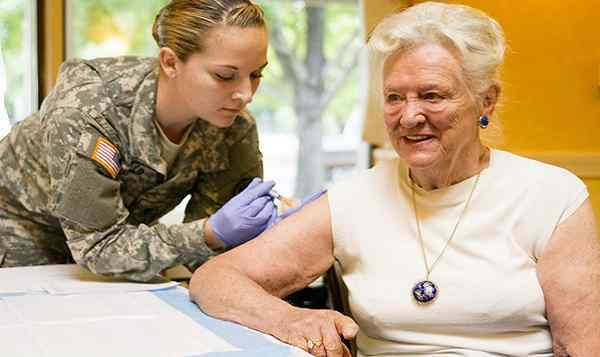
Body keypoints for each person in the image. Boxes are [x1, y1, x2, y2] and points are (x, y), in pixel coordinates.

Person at [189, 2, 600, 356]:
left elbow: (582, 347)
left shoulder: (552, 196)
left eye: (432, 95)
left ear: (485, 100)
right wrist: (291, 320)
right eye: (394, 97)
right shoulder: (355, 198)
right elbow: (216, 279)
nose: (409, 116)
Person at [0, 0, 284, 281]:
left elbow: (209, 250)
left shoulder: (233, 127)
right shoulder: (90, 109)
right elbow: (98, 246)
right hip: (24, 228)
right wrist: (209, 233)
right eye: (225, 76)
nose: (246, 94)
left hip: (120, 241)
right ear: (170, 62)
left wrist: (281, 231)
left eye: (256, 74)